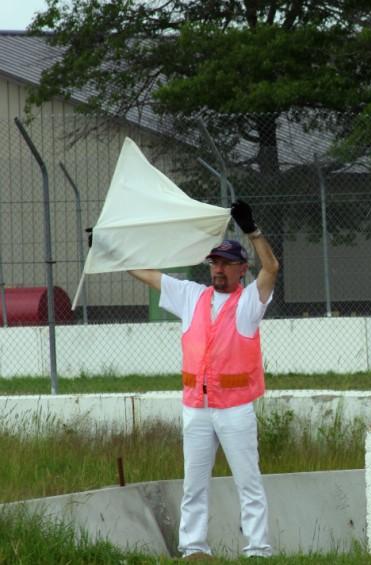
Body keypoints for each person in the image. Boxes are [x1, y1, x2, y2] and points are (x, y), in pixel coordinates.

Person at [128, 200, 279, 559]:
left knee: (249, 483)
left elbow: (271, 267)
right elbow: (147, 274)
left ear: (243, 269)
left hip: (235, 409)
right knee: (194, 484)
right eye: (214, 262)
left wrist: (253, 231)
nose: (218, 269)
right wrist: (111, 251)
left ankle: (258, 549)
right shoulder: (191, 296)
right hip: (196, 407)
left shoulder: (249, 304)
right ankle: (194, 548)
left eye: (226, 263)